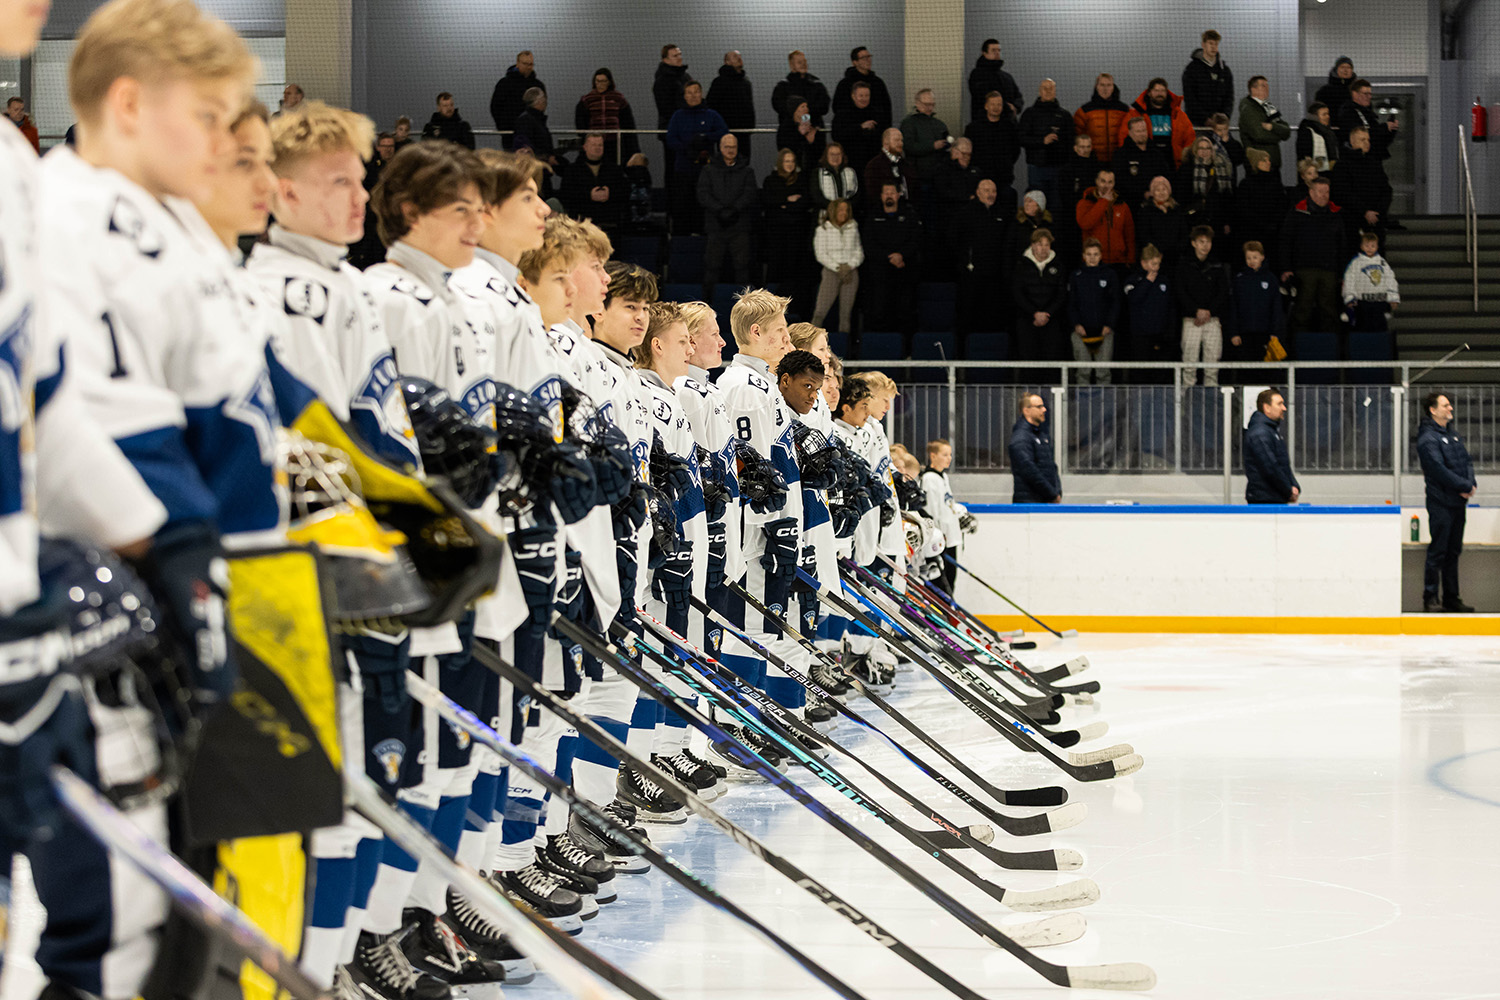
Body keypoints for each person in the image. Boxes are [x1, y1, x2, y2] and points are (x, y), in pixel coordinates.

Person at [1416, 392, 1477, 613]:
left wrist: (1470, 483)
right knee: (1438, 551)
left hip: (1458, 503)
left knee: (1453, 551)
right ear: (1433, 410)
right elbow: (1438, 470)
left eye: (1450, 405)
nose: (1450, 408)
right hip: (1441, 503)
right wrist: (1463, 486)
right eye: (1445, 405)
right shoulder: (1427, 438)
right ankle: (1430, 597)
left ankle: (1452, 597)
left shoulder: (1453, 435)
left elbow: (1466, 461)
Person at [1280, 176, 1346, 346]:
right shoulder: (1296, 212)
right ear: (1311, 192)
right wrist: (1286, 268)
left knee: (1329, 312)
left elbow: (1342, 245)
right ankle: (1299, 350)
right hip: (1304, 270)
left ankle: (1329, 350)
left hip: (1329, 270)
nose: (1324, 195)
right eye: (1320, 191)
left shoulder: (1336, 213)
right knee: (1302, 311)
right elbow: (1286, 241)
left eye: (1327, 192)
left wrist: (1343, 272)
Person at [861, 182, 922, 353]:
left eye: (892, 192)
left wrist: (901, 255)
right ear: (881, 196)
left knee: (905, 313)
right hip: (880, 274)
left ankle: (906, 353)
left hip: (904, 272)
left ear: (898, 195)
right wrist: (889, 257)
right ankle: (881, 352)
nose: (889, 195)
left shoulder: (909, 215)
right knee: (880, 312)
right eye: (885, 192)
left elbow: (916, 240)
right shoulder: (873, 216)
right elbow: (868, 243)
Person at [698, 133, 757, 294]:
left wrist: (734, 210)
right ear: (720, 148)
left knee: (742, 267)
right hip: (715, 225)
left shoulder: (747, 170)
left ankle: (745, 309)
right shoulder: (708, 170)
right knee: (711, 266)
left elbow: (750, 193)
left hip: (739, 226)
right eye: (727, 147)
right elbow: (703, 193)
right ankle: (706, 306)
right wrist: (719, 210)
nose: (730, 150)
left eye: (733, 147)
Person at [666, 79, 727, 233]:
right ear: (684, 96)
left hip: (706, 171)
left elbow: (724, 133)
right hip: (683, 171)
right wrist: (686, 149)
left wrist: (706, 137)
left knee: (705, 204)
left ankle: (704, 236)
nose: (693, 96)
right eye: (689, 93)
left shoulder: (711, 115)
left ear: (702, 93)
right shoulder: (677, 116)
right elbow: (670, 138)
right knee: (683, 206)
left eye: (696, 92)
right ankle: (682, 240)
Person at [1176, 225, 1230, 386]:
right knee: (1189, 367)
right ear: (1193, 243)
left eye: (1208, 242)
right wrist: (1195, 311)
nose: (1205, 245)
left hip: (1212, 320)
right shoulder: (1184, 264)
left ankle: (1210, 407)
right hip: (1191, 320)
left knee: (1212, 368)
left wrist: (1209, 311)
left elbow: (1223, 292)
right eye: (1201, 241)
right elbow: (1180, 292)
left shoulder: (1217, 265)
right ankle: (1185, 409)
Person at [955, 178, 1010, 333]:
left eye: (993, 191)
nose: (991, 194)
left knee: (992, 315)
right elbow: (954, 239)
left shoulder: (1002, 213)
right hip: (972, 275)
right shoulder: (966, 213)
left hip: (994, 275)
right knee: (969, 315)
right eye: (986, 191)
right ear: (978, 192)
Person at [1068, 239, 1121, 384]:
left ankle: (1104, 405)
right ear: (1083, 255)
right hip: (1081, 331)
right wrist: (1076, 324)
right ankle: (1083, 405)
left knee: (1103, 372)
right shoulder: (1076, 276)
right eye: (1089, 254)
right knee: (1082, 372)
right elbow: (1071, 303)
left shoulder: (1110, 274)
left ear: (1101, 255)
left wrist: (1109, 324)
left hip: (1104, 331)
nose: (1092, 258)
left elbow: (1115, 302)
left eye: (1095, 254)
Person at [1013, 228, 1066, 369]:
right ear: (1032, 245)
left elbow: (1061, 294)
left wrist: (1048, 313)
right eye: (1039, 244)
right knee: (1029, 360)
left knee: (1051, 361)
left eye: (1046, 244)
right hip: (1027, 320)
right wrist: (1034, 313)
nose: (1043, 248)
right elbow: (1018, 293)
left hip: (1051, 320)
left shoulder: (1058, 266)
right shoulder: (1021, 265)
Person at [1331, 127, 1392, 248]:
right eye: (1362, 139)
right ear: (1352, 142)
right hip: (1352, 221)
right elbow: (1343, 193)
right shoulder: (1342, 165)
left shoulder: (1374, 163)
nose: (1366, 143)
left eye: (1368, 140)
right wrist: (1364, 211)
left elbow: (1386, 189)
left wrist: (1378, 211)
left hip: (1376, 220)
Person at [920, 440, 968, 595]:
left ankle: (946, 616)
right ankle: (936, 618)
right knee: (941, 584)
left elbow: (947, 505)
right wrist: (939, 533)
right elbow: (931, 511)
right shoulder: (929, 479)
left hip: (950, 539)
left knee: (950, 580)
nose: (949, 458)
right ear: (933, 456)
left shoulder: (943, 477)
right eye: (945, 454)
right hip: (941, 541)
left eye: (950, 454)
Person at [762, 147, 813, 292]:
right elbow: (767, 201)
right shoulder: (770, 180)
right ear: (780, 163)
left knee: (794, 267)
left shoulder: (802, 179)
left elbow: (805, 202)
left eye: (792, 161)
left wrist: (784, 205)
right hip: (776, 233)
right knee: (776, 266)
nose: (789, 164)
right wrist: (787, 199)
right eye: (786, 161)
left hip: (796, 233)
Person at [1228, 241, 1285, 366]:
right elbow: (1233, 308)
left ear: (1262, 257)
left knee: (1265, 369)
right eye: (1248, 258)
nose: (1251, 261)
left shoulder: (1271, 279)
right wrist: (1234, 333)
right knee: (1245, 369)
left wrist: (1275, 332)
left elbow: (1276, 308)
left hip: (1265, 334)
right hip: (1244, 334)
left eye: (1255, 257)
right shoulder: (1239, 279)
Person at [1119, 78, 1195, 168]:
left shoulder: (1179, 115)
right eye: (1156, 90)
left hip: (1173, 163)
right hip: (1145, 162)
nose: (1160, 94)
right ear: (1149, 93)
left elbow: (1190, 138)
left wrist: (1185, 159)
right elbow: (1123, 137)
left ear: (1167, 93)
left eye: (1162, 90)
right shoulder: (1135, 114)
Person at [1018, 78, 1071, 207]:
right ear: (1039, 91)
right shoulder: (1029, 114)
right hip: (1036, 168)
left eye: (1051, 88)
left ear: (1055, 91)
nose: (1048, 91)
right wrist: (1042, 141)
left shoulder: (1064, 116)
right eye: (1044, 88)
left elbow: (1070, 142)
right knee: (1037, 205)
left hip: (1058, 168)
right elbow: (1021, 138)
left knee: (1056, 205)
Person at [560, 132, 628, 231]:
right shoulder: (572, 170)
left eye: (600, 145)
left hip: (609, 222)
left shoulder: (614, 169)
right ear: (585, 147)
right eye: (593, 145)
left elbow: (625, 191)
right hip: (581, 224)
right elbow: (566, 195)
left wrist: (610, 193)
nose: (597, 148)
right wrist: (588, 195)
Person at [1123, 244, 1175, 375]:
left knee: (1159, 373)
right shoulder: (1132, 280)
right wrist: (1147, 282)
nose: (1156, 267)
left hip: (1160, 335)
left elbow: (1170, 307)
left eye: (1158, 264)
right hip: (1139, 335)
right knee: (1140, 372)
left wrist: (1169, 331)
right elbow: (1133, 299)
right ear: (1143, 263)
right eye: (1153, 264)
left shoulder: (1164, 281)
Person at [812, 198, 862, 332]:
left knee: (846, 314)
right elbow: (821, 254)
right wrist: (837, 268)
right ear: (833, 211)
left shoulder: (853, 227)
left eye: (846, 210)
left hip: (850, 273)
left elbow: (859, 252)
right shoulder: (823, 229)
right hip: (831, 272)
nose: (844, 213)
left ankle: (844, 347)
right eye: (841, 210)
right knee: (820, 312)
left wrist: (849, 267)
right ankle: (809, 345)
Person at [1243, 389, 1299, 504]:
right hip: (1264, 499)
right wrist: (1288, 490)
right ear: (1267, 407)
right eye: (1279, 404)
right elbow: (1270, 467)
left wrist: (1293, 486)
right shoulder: (1260, 433)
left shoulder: (1270, 431)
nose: (1284, 408)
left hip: (1273, 496)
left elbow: (1282, 465)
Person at [1176, 135, 1233, 244]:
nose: (1204, 151)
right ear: (1195, 150)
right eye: (1201, 148)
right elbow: (1181, 196)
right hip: (1194, 218)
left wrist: (1227, 221)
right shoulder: (1187, 169)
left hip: (1216, 219)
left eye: (1207, 148)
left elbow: (1226, 197)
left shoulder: (1221, 168)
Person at [1342, 230, 1400, 336]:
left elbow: (1391, 280)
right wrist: (1350, 298)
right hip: (1362, 304)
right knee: (1363, 329)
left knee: (1380, 329)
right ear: (1361, 246)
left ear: (1377, 247)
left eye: (1373, 246)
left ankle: (1380, 349)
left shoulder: (1382, 263)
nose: (1369, 248)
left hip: (1379, 303)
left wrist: (1393, 298)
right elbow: (1349, 280)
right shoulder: (1356, 263)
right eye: (1367, 245)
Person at [575, 67, 638, 161]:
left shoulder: (619, 98)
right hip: (594, 141)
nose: (600, 84)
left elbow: (628, 122)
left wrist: (631, 146)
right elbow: (580, 122)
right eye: (598, 81)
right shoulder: (587, 99)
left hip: (614, 142)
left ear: (609, 82)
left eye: (603, 81)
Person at [833, 46, 894, 143]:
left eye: (869, 57)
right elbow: (837, 108)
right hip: (852, 140)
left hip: (875, 138)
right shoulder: (844, 84)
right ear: (855, 62)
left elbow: (887, 108)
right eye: (864, 58)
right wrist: (858, 126)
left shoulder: (878, 83)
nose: (868, 60)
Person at [1076, 168, 1135, 267]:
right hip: (1094, 260)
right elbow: (1085, 224)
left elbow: (1129, 234)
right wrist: (1103, 201)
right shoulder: (1085, 203)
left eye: (1110, 182)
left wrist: (1130, 259)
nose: (1106, 186)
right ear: (1096, 181)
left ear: (1114, 183)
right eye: (1103, 181)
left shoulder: (1122, 205)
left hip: (1118, 260)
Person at [1111, 116, 1172, 212]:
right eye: (1138, 131)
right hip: (1131, 205)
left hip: (1156, 204)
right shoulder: (1121, 154)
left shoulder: (1156, 153)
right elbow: (1120, 181)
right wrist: (1143, 193)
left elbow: (1166, 175)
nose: (1142, 134)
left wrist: (1158, 192)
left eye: (1144, 130)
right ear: (1130, 133)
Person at [966, 89, 1022, 192]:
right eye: (993, 104)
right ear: (986, 106)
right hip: (980, 176)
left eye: (999, 104)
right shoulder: (973, 128)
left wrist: (1006, 164)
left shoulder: (1010, 128)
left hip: (1003, 177)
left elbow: (1015, 150)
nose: (996, 108)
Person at [1009, 394, 1061, 503]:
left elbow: (1051, 466)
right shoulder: (1021, 438)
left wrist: (1057, 492)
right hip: (1029, 504)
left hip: (1044, 501)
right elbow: (1029, 471)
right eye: (1039, 407)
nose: (1044, 409)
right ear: (1026, 411)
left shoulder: (1041, 435)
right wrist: (1052, 494)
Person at [832, 80, 886, 179]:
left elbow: (881, 135)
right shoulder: (842, 114)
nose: (864, 99)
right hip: (850, 161)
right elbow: (837, 135)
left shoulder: (877, 113)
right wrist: (860, 127)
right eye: (861, 96)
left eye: (867, 95)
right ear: (853, 96)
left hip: (872, 162)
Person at [1182, 29, 1234, 126]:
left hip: (1220, 125)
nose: (1214, 47)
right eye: (1211, 43)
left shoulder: (1224, 71)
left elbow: (1229, 97)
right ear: (1203, 44)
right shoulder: (1192, 69)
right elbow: (1190, 98)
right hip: (1198, 124)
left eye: (1216, 44)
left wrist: (1225, 116)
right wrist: (1205, 119)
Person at [491, 49, 544, 146]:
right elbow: (495, 107)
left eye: (531, 64)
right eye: (525, 63)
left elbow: (541, 108)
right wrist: (503, 128)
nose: (528, 67)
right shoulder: (504, 84)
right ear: (517, 63)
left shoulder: (538, 85)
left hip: (534, 135)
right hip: (510, 134)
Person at [1237, 76, 1290, 171]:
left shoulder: (1269, 107)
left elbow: (1286, 131)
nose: (1267, 88)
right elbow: (1259, 135)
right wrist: (1278, 136)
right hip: (1258, 163)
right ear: (1253, 89)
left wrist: (1273, 127)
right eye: (1263, 86)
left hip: (1273, 161)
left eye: (1267, 85)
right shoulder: (1248, 109)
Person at [1336, 78, 1398, 161]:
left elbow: (1379, 141)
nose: (1369, 97)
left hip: (1373, 160)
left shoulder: (1368, 114)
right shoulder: (1348, 112)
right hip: (1358, 160)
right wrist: (1383, 128)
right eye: (1365, 94)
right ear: (1355, 94)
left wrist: (1390, 130)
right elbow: (1358, 134)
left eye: (1370, 94)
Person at [1074, 74, 1129, 163]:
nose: (1105, 89)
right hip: (1092, 161)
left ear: (1113, 87)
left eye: (1108, 85)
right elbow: (1077, 136)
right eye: (1102, 85)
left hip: (1118, 160)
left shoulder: (1124, 110)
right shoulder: (1084, 110)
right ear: (1097, 87)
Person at [1135, 175, 1189, 267]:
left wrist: (1178, 249)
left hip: (1176, 258)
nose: (1161, 193)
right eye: (1157, 190)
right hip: (1155, 258)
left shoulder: (1177, 210)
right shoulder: (1146, 211)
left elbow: (1184, 233)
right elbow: (1144, 235)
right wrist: (1158, 249)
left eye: (1164, 189)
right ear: (1152, 193)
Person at [706, 51, 754, 153]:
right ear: (727, 61)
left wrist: (750, 126)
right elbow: (711, 105)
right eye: (735, 56)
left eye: (740, 56)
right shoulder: (719, 82)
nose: (739, 58)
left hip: (744, 133)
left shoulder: (746, 82)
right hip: (725, 132)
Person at [900, 88, 951, 184]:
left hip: (938, 175)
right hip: (917, 174)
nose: (930, 108)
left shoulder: (940, 124)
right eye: (926, 104)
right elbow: (908, 146)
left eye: (932, 104)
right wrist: (932, 146)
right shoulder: (908, 123)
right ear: (917, 103)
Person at [654, 43, 689, 179]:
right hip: (672, 131)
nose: (679, 58)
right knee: (673, 169)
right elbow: (665, 108)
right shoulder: (662, 80)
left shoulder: (685, 77)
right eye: (675, 56)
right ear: (665, 60)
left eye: (680, 54)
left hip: (687, 130)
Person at [967, 38, 1022, 122]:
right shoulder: (977, 75)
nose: (997, 53)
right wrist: (1008, 107)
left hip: (1008, 126)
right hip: (984, 125)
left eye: (999, 50)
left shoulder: (1007, 77)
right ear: (984, 53)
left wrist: (1015, 106)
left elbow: (1018, 96)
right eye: (993, 50)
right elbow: (982, 97)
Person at [771, 50, 830, 124]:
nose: (804, 64)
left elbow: (824, 106)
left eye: (804, 62)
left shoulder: (817, 84)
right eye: (799, 62)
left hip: (813, 131)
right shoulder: (782, 86)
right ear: (791, 65)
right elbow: (779, 106)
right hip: (790, 131)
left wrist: (803, 113)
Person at [863, 127, 914, 206]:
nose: (901, 143)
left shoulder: (907, 164)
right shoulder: (874, 166)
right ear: (885, 143)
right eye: (897, 140)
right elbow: (872, 195)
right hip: (882, 212)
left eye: (901, 140)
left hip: (907, 210)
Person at [777, 96, 827, 172]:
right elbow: (783, 147)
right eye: (802, 107)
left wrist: (812, 141)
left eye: (806, 106)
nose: (806, 109)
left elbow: (821, 149)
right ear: (795, 110)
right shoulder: (786, 127)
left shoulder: (813, 126)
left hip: (811, 167)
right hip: (793, 167)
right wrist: (800, 134)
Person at [512, 87, 557, 167]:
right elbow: (525, 145)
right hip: (536, 165)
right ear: (539, 101)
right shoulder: (529, 120)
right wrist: (546, 157)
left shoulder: (532, 119)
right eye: (544, 98)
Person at [813, 142, 860, 215]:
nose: (835, 157)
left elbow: (857, 194)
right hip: (826, 215)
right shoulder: (817, 173)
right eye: (832, 154)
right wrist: (834, 208)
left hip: (847, 214)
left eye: (838, 154)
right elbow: (816, 196)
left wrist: (845, 207)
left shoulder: (851, 172)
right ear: (826, 156)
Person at [1297, 102, 1339, 173]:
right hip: (1314, 172)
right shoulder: (1307, 131)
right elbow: (1304, 153)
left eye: (1328, 114)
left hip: (1329, 169)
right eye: (1324, 114)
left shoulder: (1328, 132)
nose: (1327, 117)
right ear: (1315, 116)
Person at [1205, 112, 1246, 181]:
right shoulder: (1209, 143)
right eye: (1219, 130)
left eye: (1225, 129)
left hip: (1230, 178)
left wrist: (1228, 143)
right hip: (1214, 178)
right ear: (1214, 129)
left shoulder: (1234, 143)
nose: (1223, 133)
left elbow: (1239, 160)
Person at [1315, 56, 1356, 123]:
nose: (1346, 70)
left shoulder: (1356, 90)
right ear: (1336, 70)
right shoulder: (1324, 91)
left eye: (1348, 67)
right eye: (1342, 67)